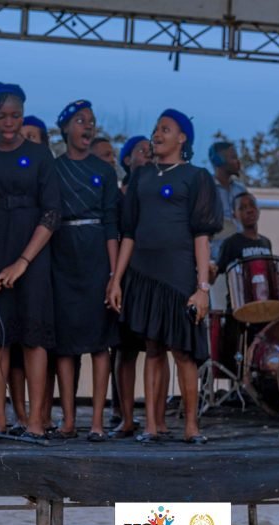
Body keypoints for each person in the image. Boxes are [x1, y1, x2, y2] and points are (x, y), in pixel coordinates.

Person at [106, 108, 223, 445]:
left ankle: (191, 426)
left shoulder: (196, 177)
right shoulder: (141, 176)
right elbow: (129, 233)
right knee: (152, 347)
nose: (157, 134)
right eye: (156, 129)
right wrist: (116, 280)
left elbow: (202, 236)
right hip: (143, 273)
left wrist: (202, 288)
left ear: (182, 138)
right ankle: (151, 425)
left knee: (182, 351)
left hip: (178, 274)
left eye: (166, 129)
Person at [0, 82, 60, 440]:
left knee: (33, 336)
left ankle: (35, 421)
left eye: (16, 115)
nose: (9, 122)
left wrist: (24, 262)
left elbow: (52, 213)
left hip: (33, 254)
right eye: (2, 116)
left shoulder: (41, 155)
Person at [51, 100, 120, 442]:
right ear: (65, 128)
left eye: (91, 121)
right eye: (80, 121)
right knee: (65, 343)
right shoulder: (53, 169)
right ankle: (67, 420)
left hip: (96, 255)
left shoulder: (104, 171)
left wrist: (114, 276)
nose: (88, 126)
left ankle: (96, 422)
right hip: (62, 255)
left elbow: (111, 224)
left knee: (99, 341)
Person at [110, 133, 158, 437]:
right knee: (125, 349)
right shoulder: (119, 195)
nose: (148, 154)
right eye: (142, 150)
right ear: (127, 160)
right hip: (127, 272)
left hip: (154, 272)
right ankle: (124, 416)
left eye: (150, 150)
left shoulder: (158, 188)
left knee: (155, 347)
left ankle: (156, 418)